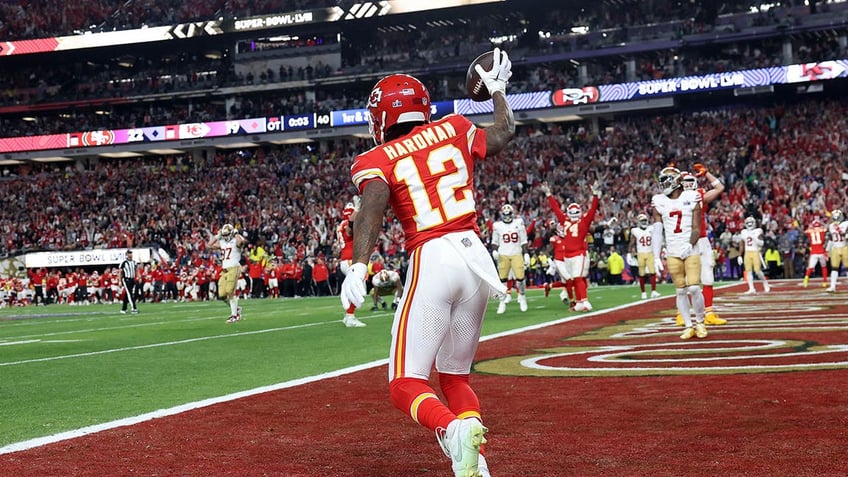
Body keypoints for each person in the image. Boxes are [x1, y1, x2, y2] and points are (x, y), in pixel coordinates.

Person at [340, 48, 514, 477]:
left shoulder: (374, 159)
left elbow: (374, 204)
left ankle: (452, 431)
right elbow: (503, 133)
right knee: (455, 378)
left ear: (380, 117)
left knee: (405, 383)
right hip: (476, 259)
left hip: (433, 256)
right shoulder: (454, 126)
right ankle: (474, 458)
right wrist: (497, 91)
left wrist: (359, 265)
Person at [651, 166, 708, 340]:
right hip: (672, 251)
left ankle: (700, 321)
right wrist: (655, 254)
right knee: (680, 291)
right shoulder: (659, 200)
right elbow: (657, 229)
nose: (663, 184)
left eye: (666, 179)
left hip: (690, 249)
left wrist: (690, 245)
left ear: (676, 181)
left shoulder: (692, 196)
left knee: (693, 287)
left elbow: (697, 228)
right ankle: (688, 325)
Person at [677, 166, 727, 325]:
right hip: (685, 239)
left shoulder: (698, 195)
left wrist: (707, 173)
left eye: (691, 181)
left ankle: (708, 312)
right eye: (685, 182)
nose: (688, 184)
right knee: (685, 279)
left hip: (701, 239)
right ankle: (681, 313)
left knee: (707, 276)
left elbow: (720, 188)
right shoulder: (674, 198)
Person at [540, 180, 600, 311]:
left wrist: (595, 194)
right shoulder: (565, 221)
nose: (573, 215)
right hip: (567, 256)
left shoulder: (583, 222)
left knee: (578, 278)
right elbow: (556, 209)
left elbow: (592, 210)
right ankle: (579, 303)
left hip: (579, 253)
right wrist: (549, 194)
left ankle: (585, 301)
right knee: (573, 279)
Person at [491, 203, 530, 313]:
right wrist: (494, 250)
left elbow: (523, 241)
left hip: (516, 253)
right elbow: (494, 241)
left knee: (520, 278)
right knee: (502, 280)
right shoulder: (497, 225)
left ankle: (522, 297)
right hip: (503, 254)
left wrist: (526, 254)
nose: (507, 217)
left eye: (509, 214)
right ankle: (502, 301)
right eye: (505, 214)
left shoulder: (519, 222)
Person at [206, 223, 246, 323]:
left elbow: (241, 242)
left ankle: (234, 315)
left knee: (230, 291)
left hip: (234, 268)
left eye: (226, 234)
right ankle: (236, 309)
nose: (225, 237)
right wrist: (217, 236)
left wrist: (236, 233)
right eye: (224, 235)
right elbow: (209, 245)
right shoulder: (223, 242)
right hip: (224, 270)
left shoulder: (236, 240)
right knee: (222, 294)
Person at [337, 199, 367, 327]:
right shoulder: (345, 224)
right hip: (350, 260)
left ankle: (348, 316)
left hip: (346, 259)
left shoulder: (341, 224)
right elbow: (350, 229)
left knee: (353, 287)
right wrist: (357, 209)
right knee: (358, 288)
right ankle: (350, 316)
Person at [628, 213, 661, 300]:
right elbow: (632, 242)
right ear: (639, 222)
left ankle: (653, 291)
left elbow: (657, 239)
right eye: (642, 220)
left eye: (645, 220)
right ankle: (643, 292)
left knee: (652, 272)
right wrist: (629, 252)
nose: (644, 222)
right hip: (641, 253)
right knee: (641, 274)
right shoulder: (635, 231)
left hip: (650, 252)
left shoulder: (651, 228)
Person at [738, 216, 771, 294]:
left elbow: (762, 243)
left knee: (757, 271)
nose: (749, 224)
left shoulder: (758, 231)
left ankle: (765, 282)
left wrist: (756, 239)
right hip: (747, 252)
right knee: (748, 271)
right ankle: (751, 288)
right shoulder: (744, 232)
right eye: (748, 223)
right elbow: (742, 244)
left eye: (751, 223)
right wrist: (739, 255)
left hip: (755, 251)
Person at [803, 217, 828, 288]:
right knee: (824, 267)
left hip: (814, 252)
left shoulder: (810, 231)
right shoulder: (822, 230)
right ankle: (824, 281)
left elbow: (805, 232)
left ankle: (806, 279)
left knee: (810, 267)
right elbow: (826, 228)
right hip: (821, 251)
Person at [826, 209, 847, 292]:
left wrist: (843, 233)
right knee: (834, 268)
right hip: (835, 247)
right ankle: (832, 286)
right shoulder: (831, 226)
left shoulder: (846, 224)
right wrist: (827, 250)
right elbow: (831, 239)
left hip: (845, 246)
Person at [118, 249, 139, 315]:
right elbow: (120, 272)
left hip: (132, 279)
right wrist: (120, 281)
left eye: (131, 253)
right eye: (129, 253)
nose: (130, 255)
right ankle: (134, 308)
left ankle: (124, 308)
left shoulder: (134, 262)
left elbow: (136, 270)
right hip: (126, 279)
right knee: (130, 294)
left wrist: (138, 277)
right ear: (126, 255)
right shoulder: (124, 262)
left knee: (128, 294)